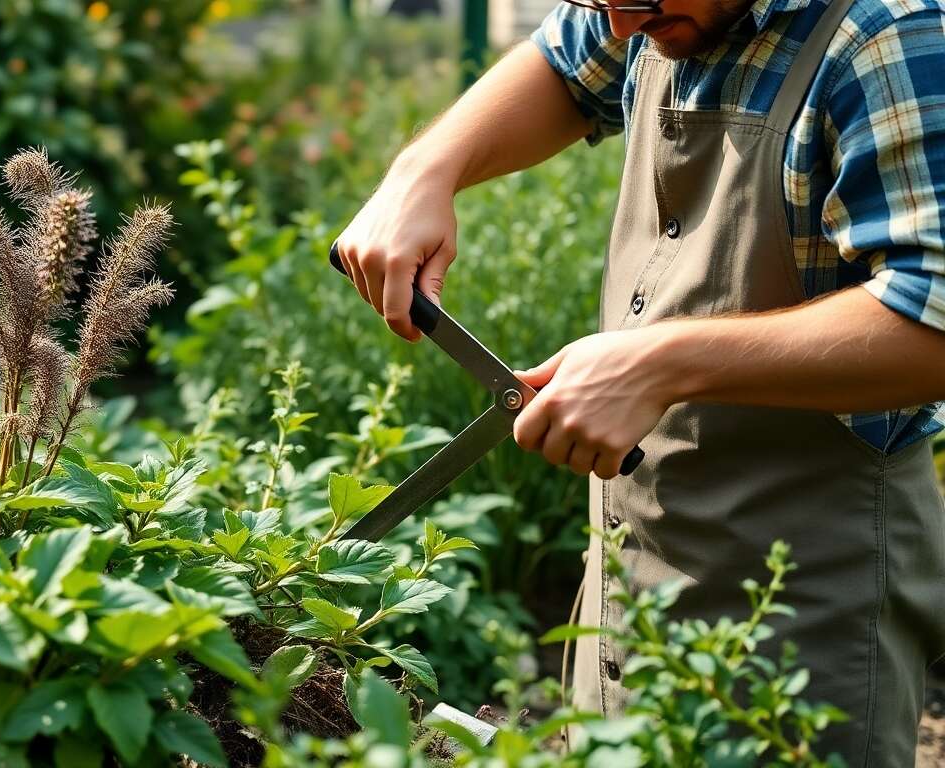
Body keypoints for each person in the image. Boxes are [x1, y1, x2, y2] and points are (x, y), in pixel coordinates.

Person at [331, 0, 945, 763]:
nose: (622, 30)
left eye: (646, 2)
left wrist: (655, 362)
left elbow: (932, 318)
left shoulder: (884, 34)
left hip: (798, 614)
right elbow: (563, 63)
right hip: (629, 585)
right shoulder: (651, 11)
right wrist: (422, 171)